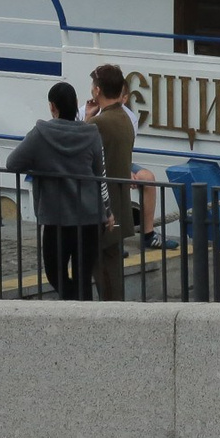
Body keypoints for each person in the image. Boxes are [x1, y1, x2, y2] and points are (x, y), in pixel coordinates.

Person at [6, 82, 112, 300]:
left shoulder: (40, 133)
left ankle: (72, 305)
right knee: (83, 276)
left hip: (56, 217)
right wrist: (108, 211)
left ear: (52, 106)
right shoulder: (91, 133)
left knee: (55, 273)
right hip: (89, 216)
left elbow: (12, 163)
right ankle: (83, 311)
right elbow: (99, 174)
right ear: (75, 104)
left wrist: (40, 166)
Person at [86, 63, 140, 301]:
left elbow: (78, 149)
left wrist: (87, 119)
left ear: (97, 90)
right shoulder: (124, 118)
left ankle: (113, 315)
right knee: (112, 269)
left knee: (105, 274)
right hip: (119, 206)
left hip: (104, 210)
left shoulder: (100, 123)